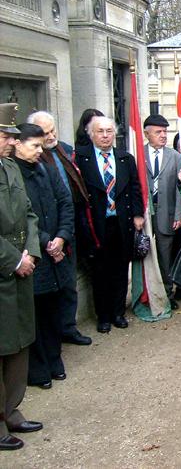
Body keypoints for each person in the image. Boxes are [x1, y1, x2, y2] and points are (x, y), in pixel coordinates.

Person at [14, 124, 74, 390]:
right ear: (18, 144)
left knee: (53, 310)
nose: (40, 150)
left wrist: (62, 236)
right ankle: (38, 369)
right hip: (33, 254)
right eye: (35, 145)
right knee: (34, 314)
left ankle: (54, 360)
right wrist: (46, 241)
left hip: (55, 252)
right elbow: (21, 217)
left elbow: (65, 202)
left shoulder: (46, 169)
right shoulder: (13, 175)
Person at [28, 111, 94, 346]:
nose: (51, 136)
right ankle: (51, 335)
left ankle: (68, 327)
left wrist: (64, 233)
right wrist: (50, 238)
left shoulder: (64, 150)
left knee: (68, 282)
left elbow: (67, 197)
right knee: (48, 289)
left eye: (53, 130)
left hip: (68, 227)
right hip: (44, 233)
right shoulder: (33, 161)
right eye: (45, 133)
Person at [0, 103, 43, 451]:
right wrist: (14, 260)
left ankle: (11, 411)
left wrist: (30, 252)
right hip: (5, 269)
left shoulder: (10, 167)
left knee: (19, 343)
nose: (12, 141)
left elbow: (29, 213)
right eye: (5, 135)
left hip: (20, 268)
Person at [75, 116, 144, 333]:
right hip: (97, 225)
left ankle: (118, 313)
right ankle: (103, 316)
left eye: (109, 131)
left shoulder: (125, 159)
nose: (105, 136)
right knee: (100, 271)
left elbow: (135, 188)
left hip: (122, 223)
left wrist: (138, 214)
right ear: (91, 134)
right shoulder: (81, 159)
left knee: (121, 269)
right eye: (100, 131)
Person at [142, 114, 181, 309]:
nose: (163, 135)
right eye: (158, 132)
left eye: (165, 131)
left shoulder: (174, 156)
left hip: (167, 215)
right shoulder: (138, 155)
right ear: (147, 134)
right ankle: (146, 294)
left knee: (165, 257)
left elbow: (180, 188)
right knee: (144, 255)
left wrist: (179, 215)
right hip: (145, 215)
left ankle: (167, 294)